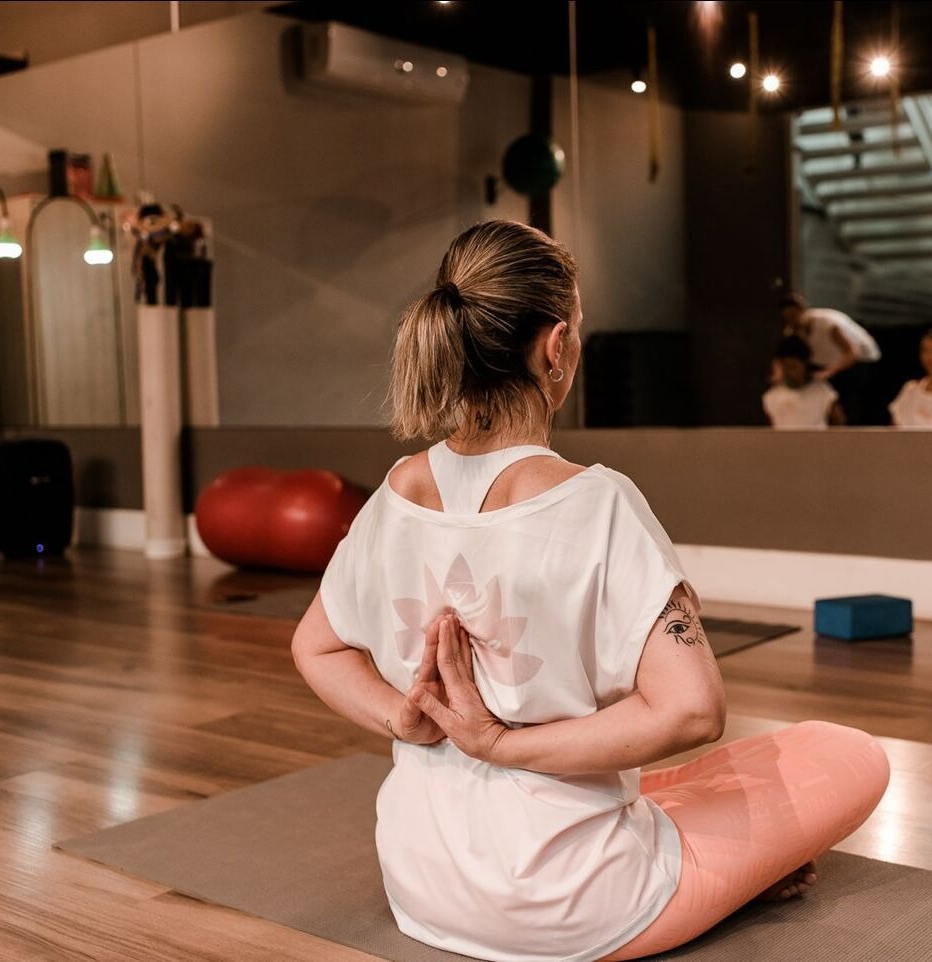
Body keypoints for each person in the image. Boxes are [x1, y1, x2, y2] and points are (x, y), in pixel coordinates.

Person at [291, 221, 890, 962]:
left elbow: (314, 645)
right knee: (848, 753)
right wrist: (501, 743)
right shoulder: (595, 500)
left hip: (418, 885)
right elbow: (693, 709)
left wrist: (406, 721)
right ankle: (733, 875)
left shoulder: (394, 493)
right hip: (581, 911)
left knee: (672, 779)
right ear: (557, 346)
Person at [779, 292, 881, 424]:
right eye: (787, 318)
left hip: (860, 360)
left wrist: (830, 372)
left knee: (849, 400)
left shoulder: (827, 324)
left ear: (802, 311)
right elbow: (785, 356)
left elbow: (852, 353)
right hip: (829, 363)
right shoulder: (792, 332)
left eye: (793, 316)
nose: (792, 321)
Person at [763, 335, 845, 428]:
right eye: (786, 367)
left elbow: (839, 422)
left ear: (805, 366)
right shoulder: (772, 396)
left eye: (794, 367)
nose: (790, 372)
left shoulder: (822, 391)